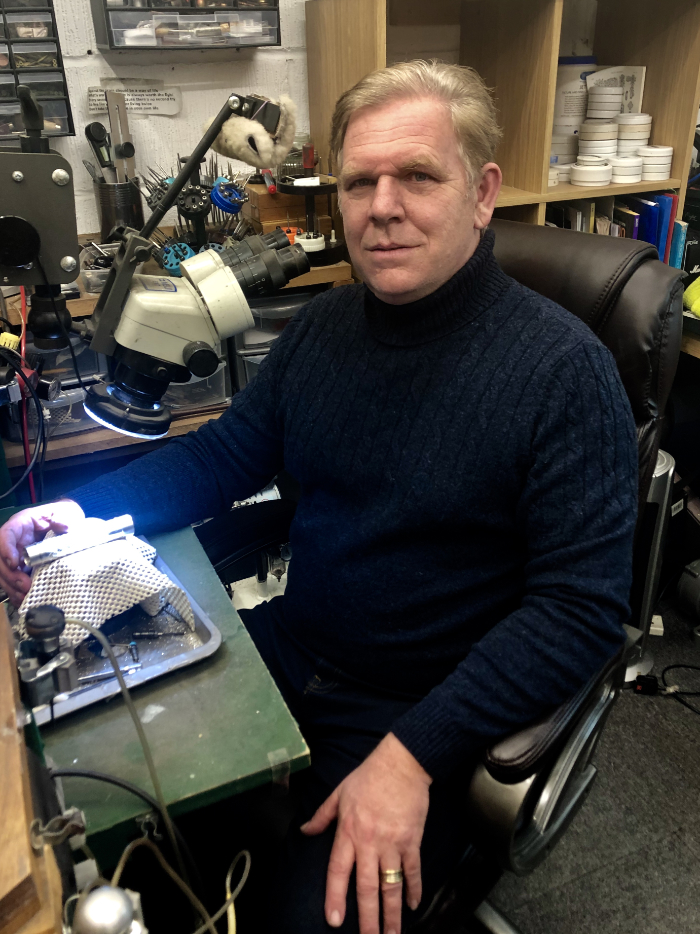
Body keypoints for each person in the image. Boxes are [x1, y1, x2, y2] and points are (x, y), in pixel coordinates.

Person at [0, 62, 637, 934]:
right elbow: (221, 457)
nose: (383, 206)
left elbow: (580, 611)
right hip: (291, 650)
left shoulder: (565, 375)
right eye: (360, 182)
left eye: (418, 176)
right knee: (104, 808)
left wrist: (412, 755)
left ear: (483, 193)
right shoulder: (325, 329)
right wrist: (81, 513)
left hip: (425, 708)